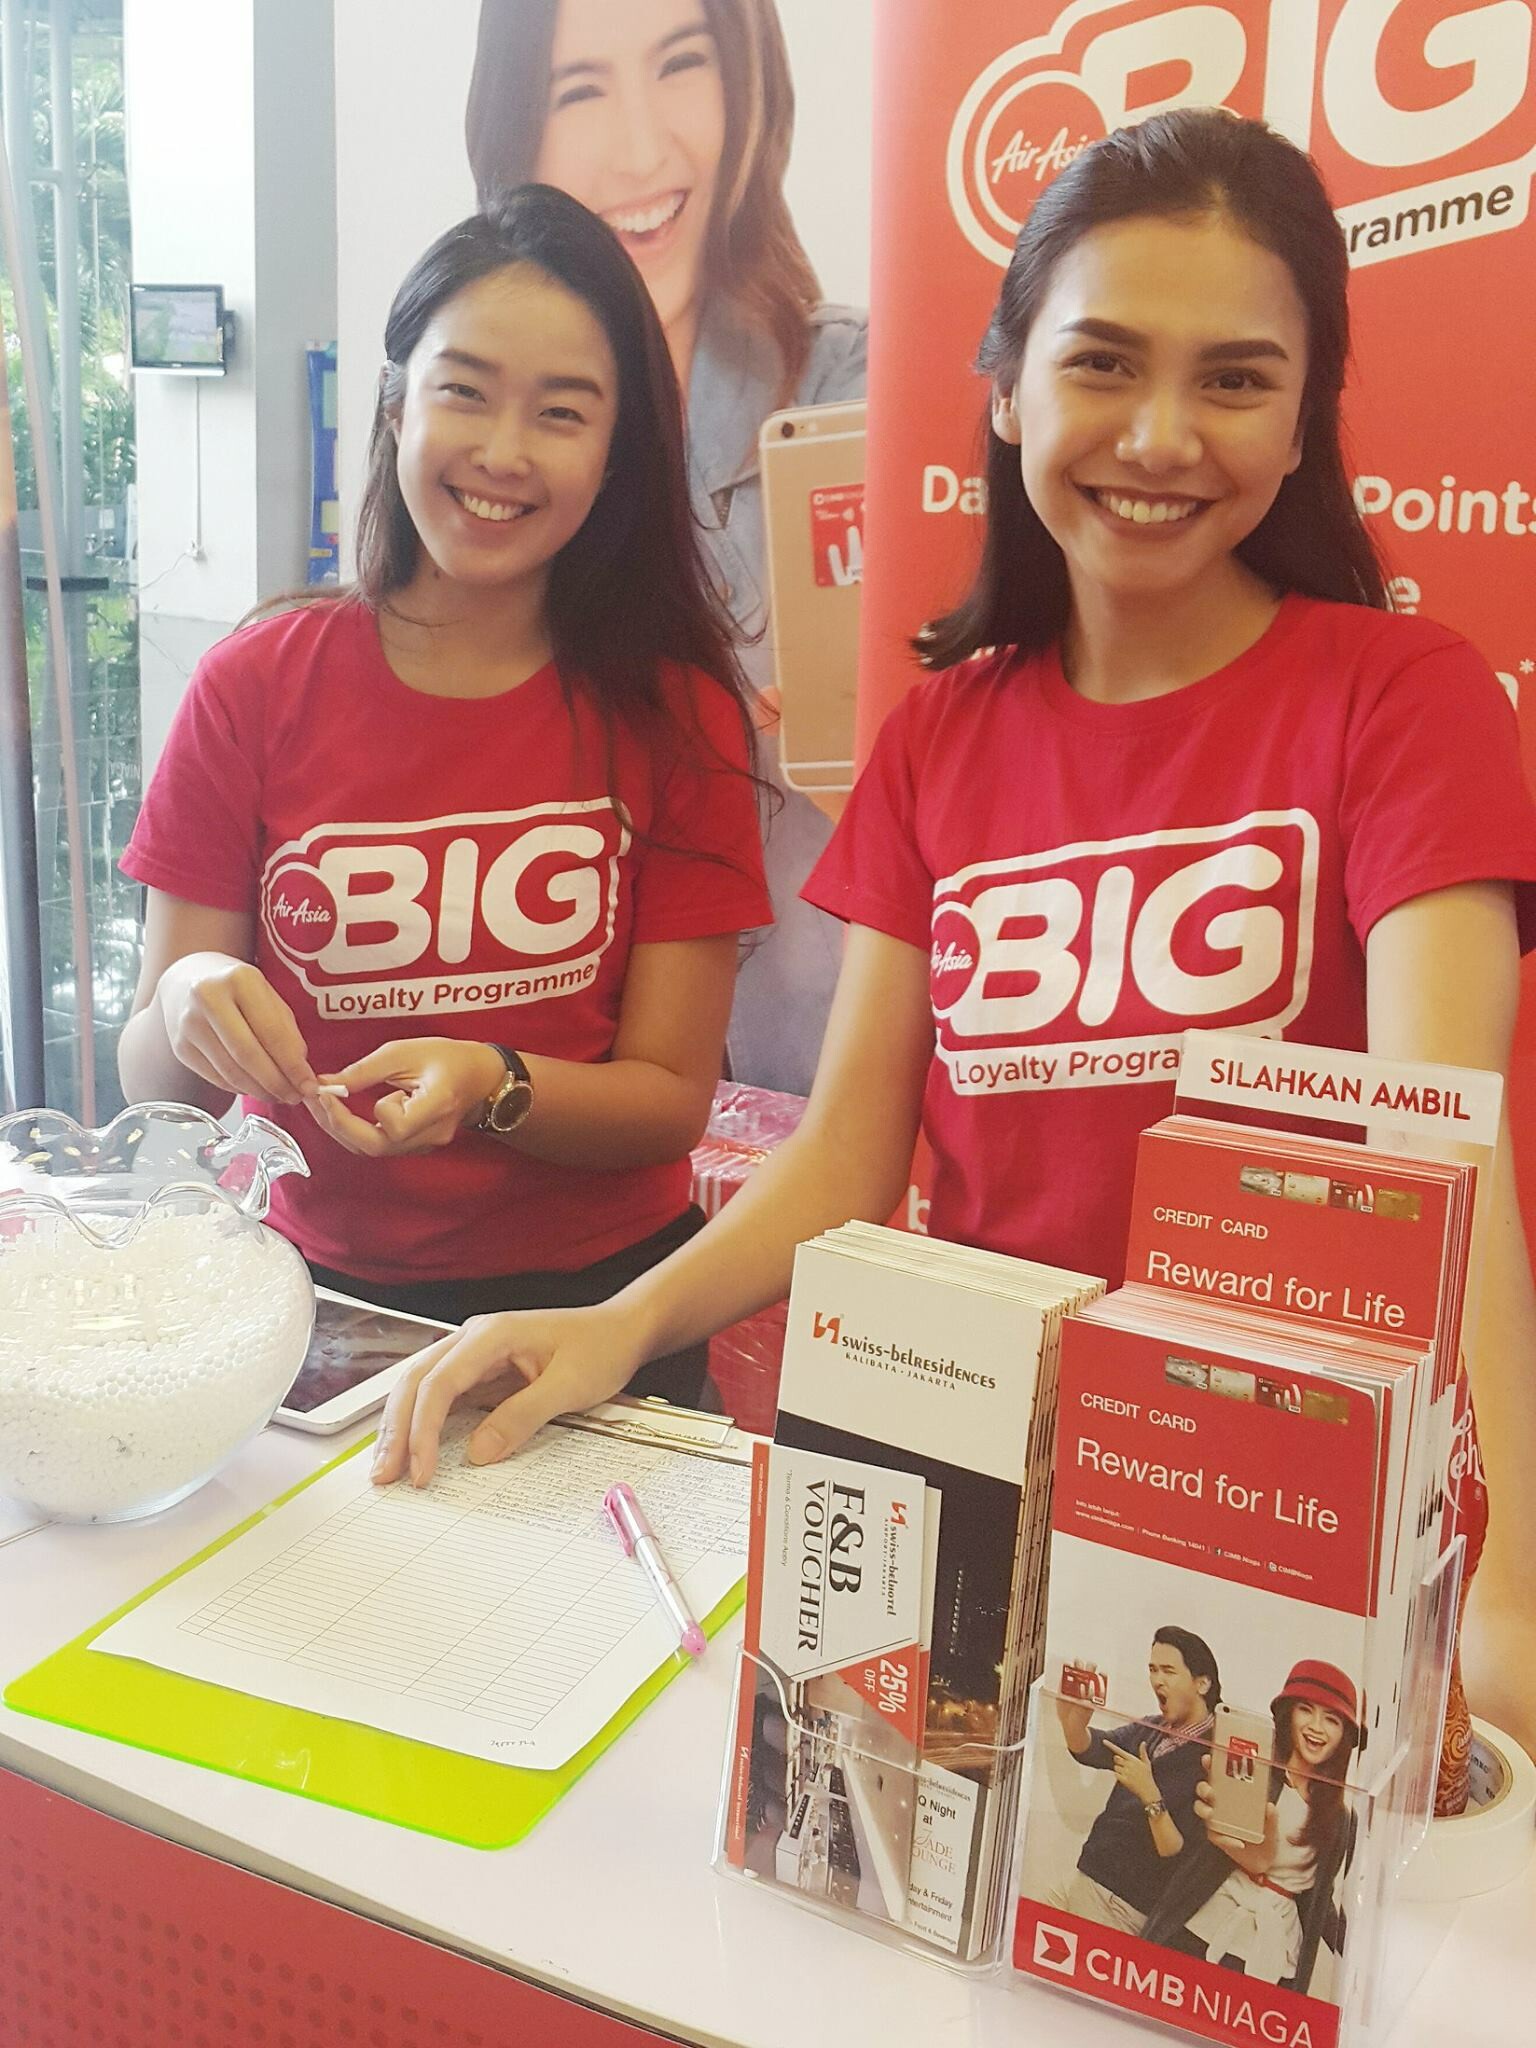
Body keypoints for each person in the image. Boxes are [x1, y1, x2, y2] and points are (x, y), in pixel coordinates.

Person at [371, 110, 1536, 1758]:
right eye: (1103, 363)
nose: (1160, 435)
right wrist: (622, 1324)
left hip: (1278, 1537)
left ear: (1299, 427)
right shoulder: (942, 734)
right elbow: (850, 1153)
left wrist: (1507, 1587)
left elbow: (1443, 1164)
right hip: (986, 1503)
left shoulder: (1401, 699)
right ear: (1005, 389)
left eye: (1234, 380)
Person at [117, 184, 772, 1407]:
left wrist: (492, 1083)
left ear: (616, 452)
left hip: (597, 1316)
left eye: (561, 412)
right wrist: (190, 995)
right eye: (465, 389)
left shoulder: (675, 713)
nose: (503, 452)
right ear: (395, 402)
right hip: (308, 1312)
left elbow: (667, 1103)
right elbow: (155, 1082)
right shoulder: (255, 684)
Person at [466, 0, 868, 1095]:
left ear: (747, 87)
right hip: (539, 1098)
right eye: (579, 89)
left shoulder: (860, 396)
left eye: (682, 65)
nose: (643, 149)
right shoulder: (474, 445)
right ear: (515, 131)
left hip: (813, 1092)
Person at [1143, 1661, 1360, 1994]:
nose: (1317, 1727)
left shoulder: (1341, 1820)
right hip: (1208, 1921)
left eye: (1332, 1719)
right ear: (1288, 1715)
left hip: (1275, 1948)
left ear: (1344, 1735)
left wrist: (1359, 1949)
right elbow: (1200, 1846)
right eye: (1306, 1710)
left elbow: (1318, 1897)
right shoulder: (1256, 1772)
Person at [1047, 1629, 1222, 1936]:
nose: (1157, 1680)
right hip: (1084, 1879)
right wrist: (1071, 1723)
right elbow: (1092, 1749)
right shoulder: (1152, 1727)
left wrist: (1149, 1793)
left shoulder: (1214, 1759)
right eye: (1152, 1669)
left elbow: (1175, 1852)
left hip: (1119, 1905)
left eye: (1168, 1671)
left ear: (1202, 1683)